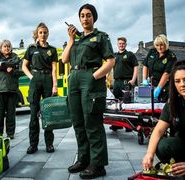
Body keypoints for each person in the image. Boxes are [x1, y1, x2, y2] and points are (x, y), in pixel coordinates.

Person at [62, 3, 115, 179]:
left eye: (88, 15)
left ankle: (98, 164)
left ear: (94, 17)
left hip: (90, 78)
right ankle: (84, 159)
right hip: (74, 78)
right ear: (79, 19)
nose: (85, 18)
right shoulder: (76, 40)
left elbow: (110, 61)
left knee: (92, 123)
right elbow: (64, 59)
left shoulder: (101, 37)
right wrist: (70, 40)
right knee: (78, 123)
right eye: (82, 16)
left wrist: (94, 76)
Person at [22, 22, 58, 154]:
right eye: (40, 32)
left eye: (45, 32)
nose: (43, 35)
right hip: (35, 79)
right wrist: (31, 77)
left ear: (48, 34)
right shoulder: (31, 49)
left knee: (48, 114)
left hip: (48, 79)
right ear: (37, 34)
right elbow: (24, 66)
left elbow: (54, 69)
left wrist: (55, 85)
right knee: (33, 115)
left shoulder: (52, 50)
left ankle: (49, 144)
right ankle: (33, 145)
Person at [110, 37, 138, 132]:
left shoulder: (130, 55)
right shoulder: (114, 55)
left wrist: (133, 79)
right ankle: (116, 124)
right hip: (117, 82)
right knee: (115, 104)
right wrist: (106, 78)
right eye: (119, 43)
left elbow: (136, 67)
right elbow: (109, 67)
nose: (121, 45)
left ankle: (128, 126)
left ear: (125, 44)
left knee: (127, 105)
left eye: (123, 43)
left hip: (127, 82)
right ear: (117, 44)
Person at [142, 34, 177, 102]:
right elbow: (145, 65)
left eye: (161, 45)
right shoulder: (152, 51)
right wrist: (144, 79)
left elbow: (166, 73)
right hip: (152, 84)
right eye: (157, 45)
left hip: (165, 86)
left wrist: (159, 88)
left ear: (166, 44)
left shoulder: (171, 56)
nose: (159, 47)